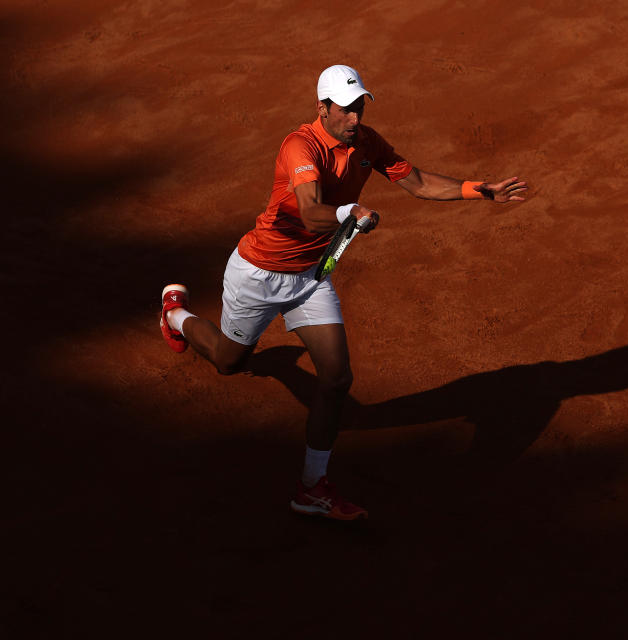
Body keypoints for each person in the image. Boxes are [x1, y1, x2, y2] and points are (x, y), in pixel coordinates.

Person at [158, 64, 526, 520]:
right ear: (323, 108)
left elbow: (418, 182)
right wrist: (350, 210)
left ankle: (311, 487)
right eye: (347, 110)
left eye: (360, 107)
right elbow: (312, 212)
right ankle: (174, 315)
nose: (355, 118)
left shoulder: (368, 143)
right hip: (259, 272)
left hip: (310, 276)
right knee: (230, 363)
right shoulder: (300, 146)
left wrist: (479, 190)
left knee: (336, 378)